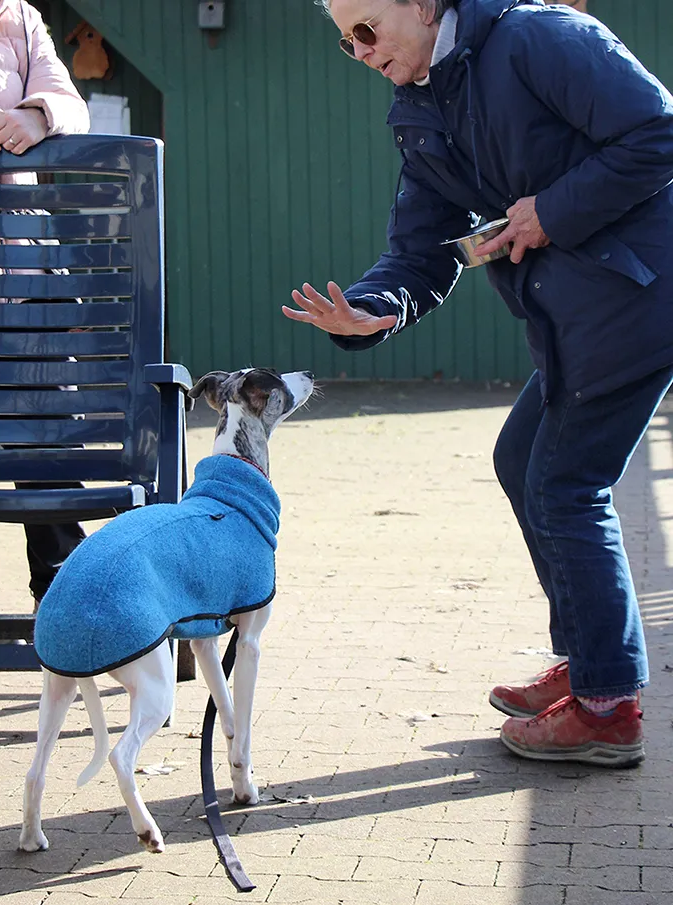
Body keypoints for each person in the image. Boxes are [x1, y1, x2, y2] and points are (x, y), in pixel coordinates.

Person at [283, 0, 673, 767]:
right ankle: (590, 658)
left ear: (423, 5)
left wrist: (553, 211)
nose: (360, 50)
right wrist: (371, 308)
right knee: (521, 460)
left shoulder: (539, 38)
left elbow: (659, 133)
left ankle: (606, 706)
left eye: (367, 28)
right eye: (345, 41)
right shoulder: (420, 107)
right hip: (581, 311)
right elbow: (423, 248)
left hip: (640, 293)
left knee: (563, 483)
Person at [0, 0, 90, 616]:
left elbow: (69, 101)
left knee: (45, 432)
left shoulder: (19, 17)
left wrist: (36, 115)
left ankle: (63, 593)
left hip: (23, 270)